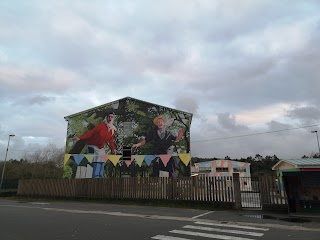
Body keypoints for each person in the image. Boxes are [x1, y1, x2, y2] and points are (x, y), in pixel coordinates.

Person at [73, 112, 118, 178]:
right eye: (109, 116)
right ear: (106, 118)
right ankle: (96, 177)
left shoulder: (112, 130)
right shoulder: (101, 126)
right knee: (96, 159)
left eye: (112, 117)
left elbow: (111, 140)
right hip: (92, 145)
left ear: (113, 118)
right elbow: (91, 133)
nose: (110, 118)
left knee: (102, 159)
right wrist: (80, 138)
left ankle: (100, 176)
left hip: (100, 147)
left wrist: (113, 149)